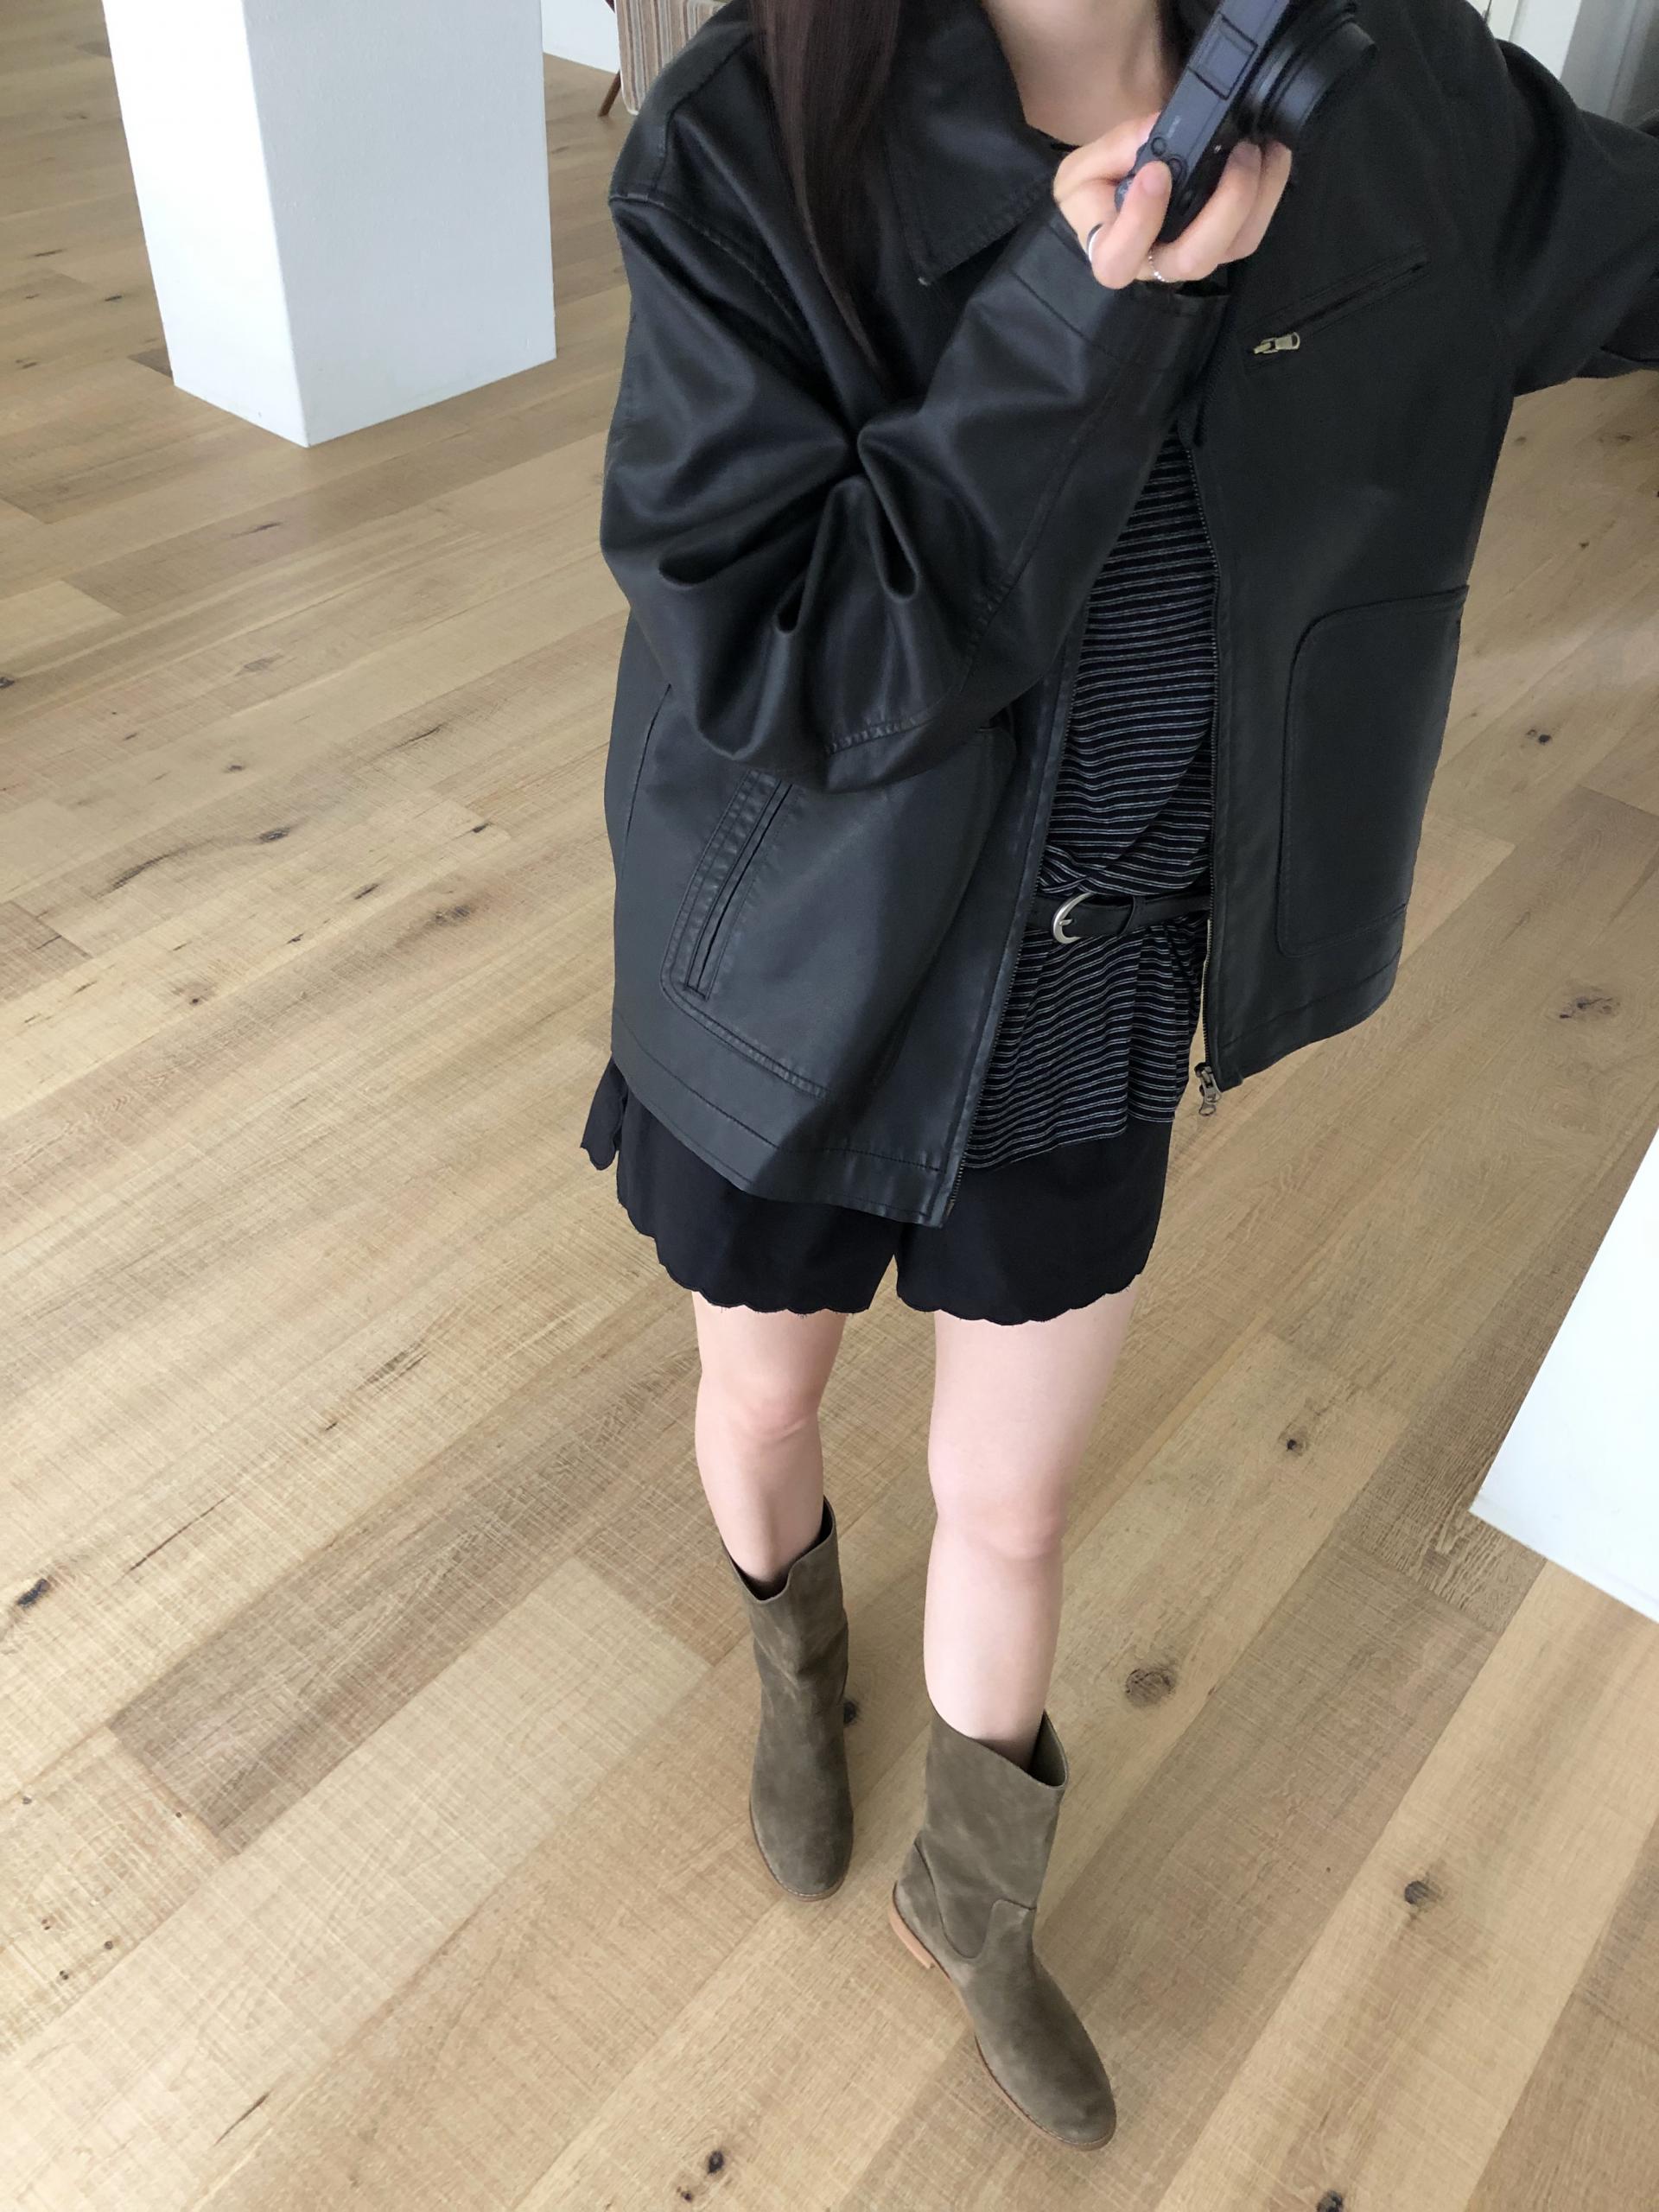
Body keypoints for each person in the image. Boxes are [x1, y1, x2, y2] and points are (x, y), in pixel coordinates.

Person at [578, 0, 1659, 2151]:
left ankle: (974, 1897)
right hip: (788, 972)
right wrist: (1084, 312)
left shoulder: (1392, 89)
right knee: (762, 1392)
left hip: (1094, 980)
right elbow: (792, 650)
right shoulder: (744, 136)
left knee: (1015, 1499)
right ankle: (798, 1677)